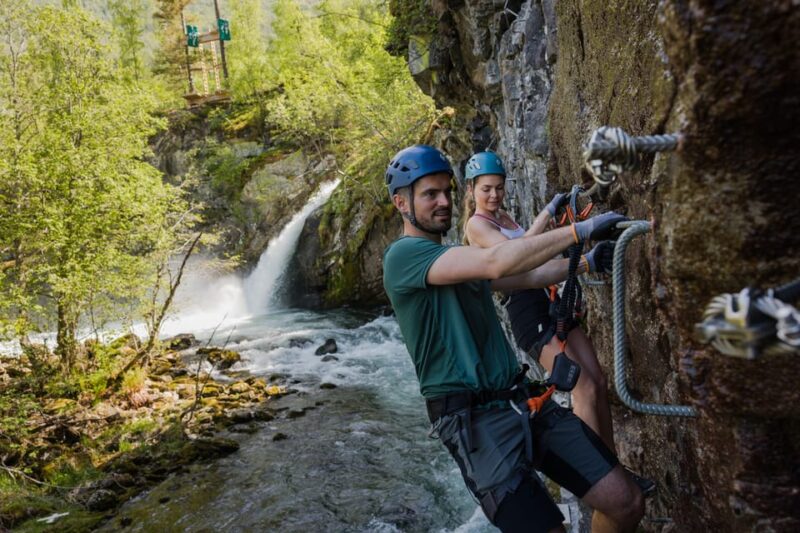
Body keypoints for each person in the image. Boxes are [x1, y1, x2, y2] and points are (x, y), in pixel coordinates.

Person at [382, 144, 644, 533]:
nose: (443, 202)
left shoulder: (454, 259)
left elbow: (528, 276)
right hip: (474, 425)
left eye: (446, 192)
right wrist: (580, 230)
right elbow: (497, 259)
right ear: (401, 203)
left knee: (627, 502)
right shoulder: (403, 257)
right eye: (429, 194)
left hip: (522, 400)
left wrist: (587, 259)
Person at [462, 151, 616, 452]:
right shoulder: (477, 226)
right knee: (582, 387)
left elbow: (526, 245)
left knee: (597, 380)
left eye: (499, 187)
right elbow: (521, 263)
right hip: (526, 309)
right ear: (471, 190)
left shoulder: (501, 216)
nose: (494, 195)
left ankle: (616, 468)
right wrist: (586, 260)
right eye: (486, 189)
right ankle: (600, 478)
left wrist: (548, 211)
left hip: (547, 300)